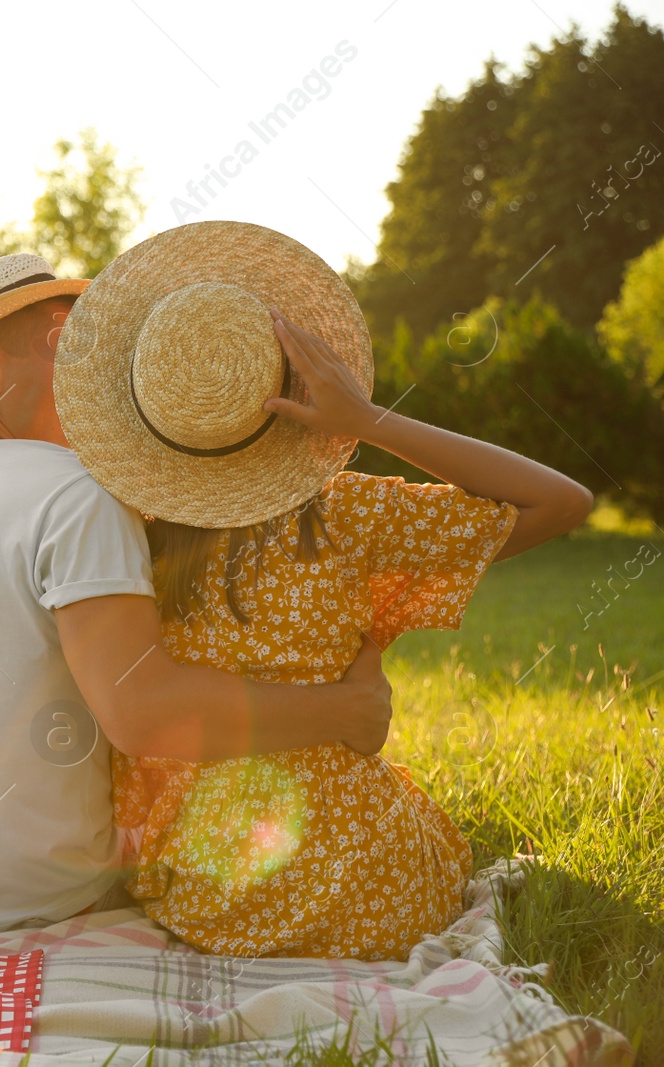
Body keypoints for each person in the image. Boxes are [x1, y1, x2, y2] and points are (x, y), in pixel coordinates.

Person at [51, 221, 592, 959]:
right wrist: (367, 420)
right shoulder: (350, 518)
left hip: (213, 902)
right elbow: (560, 501)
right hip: (376, 886)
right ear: (292, 387)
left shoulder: (114, 533)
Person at [0, 252, 397, 938]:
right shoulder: (75, 494)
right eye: (67, 345)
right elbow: (144, 713)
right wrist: (344, 709)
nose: (98, 372)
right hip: (24, 905)